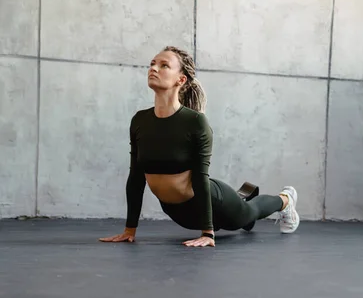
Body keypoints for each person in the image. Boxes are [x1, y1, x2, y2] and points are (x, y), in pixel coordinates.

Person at [99, 46, 299, 247]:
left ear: (181, 79)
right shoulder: (140, 120)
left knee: (248, 214)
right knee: (241, 220)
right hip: (178, 213)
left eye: (164, 65)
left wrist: (208, 233)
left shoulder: (195, 122)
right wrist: (129, 230)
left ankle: (285, 199)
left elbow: (200, 177)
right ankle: (242, 203)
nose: (154, 68)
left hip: (214, 203)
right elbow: (135, 177)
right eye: (152, 64)